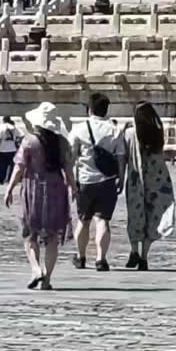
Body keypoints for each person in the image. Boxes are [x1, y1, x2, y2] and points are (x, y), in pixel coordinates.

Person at [4, 101, 76, 290]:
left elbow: (19, 167)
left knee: (30, 233)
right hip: (56, 190)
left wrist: (9, 188)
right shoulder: (62, 142)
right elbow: (68, 169)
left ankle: (36, 269)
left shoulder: (29, 141)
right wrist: (74, 188)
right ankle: (47, 279)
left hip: (32, 189)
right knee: (52, 237)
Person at [70, 92, 127, 272]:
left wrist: (71, 180)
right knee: (103, 221)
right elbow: (121, 157)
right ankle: (101, 259)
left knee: (83, 220)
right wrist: (121, 178)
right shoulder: (115, 130)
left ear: (89, 109)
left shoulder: (79, 129)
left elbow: (71, 156)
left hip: (85, 180)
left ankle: (80, 257)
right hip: (108, 181)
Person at [123, 102, 175, 270]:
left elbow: (123, 154)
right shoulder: (158, 132)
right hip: (157, 178)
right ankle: (144, 257)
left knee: (135, 214)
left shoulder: (130, 133)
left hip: (136, 178)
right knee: (153, 216)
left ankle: (134, 251)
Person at [0, 115, 20, 185]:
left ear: (3, 120)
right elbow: (20, 135)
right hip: (12, 149)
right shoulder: (14, 127)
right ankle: (9, 179)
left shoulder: (0, 127)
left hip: (3, 149)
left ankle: (1, 179)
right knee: (11, 165)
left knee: (2, 166)